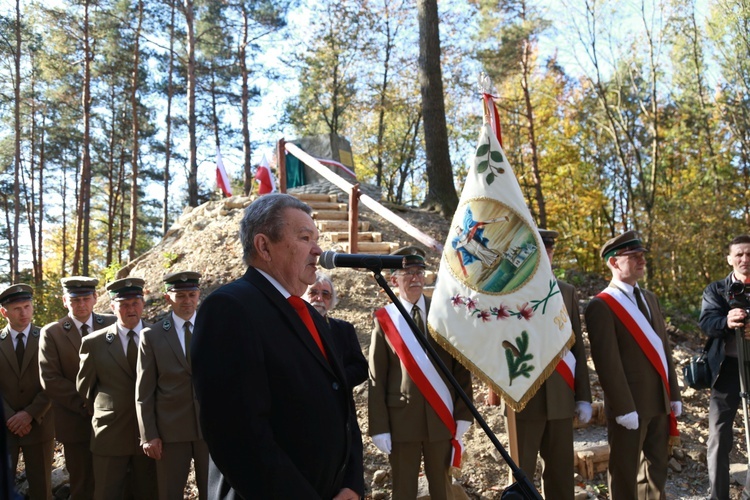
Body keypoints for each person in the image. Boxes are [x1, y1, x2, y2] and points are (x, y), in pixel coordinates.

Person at [191, 193, 364, 499]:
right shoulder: (229, 309)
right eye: (304, 237)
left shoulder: (309, 313)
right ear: (264, 246)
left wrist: (350, 482)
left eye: (317, 238)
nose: (317, 250)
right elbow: (238, 437)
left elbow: (342, 406)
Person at [368, 247, 473, 500]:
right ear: (394, 280)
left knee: (443, 490)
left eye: (419, 272)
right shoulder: (384, 320)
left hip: (441, 416)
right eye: (407, 273)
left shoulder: (444, 314)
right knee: (403, 490)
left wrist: (463, 413)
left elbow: (461, 368)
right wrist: (379, 427)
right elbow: (376, 378)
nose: (415, 277)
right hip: (402, 421)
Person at [585, 230, 681, 499]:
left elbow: (664, 352)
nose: (642, 261)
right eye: (634, 256)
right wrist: (624, 408)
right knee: (625, 473)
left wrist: (673, 393)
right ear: (614, 262)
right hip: (630, 405)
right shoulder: (601, 305)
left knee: (656, 471)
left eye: (642, 256)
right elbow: (607, 364)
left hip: (659, 400)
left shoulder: (650, 298)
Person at [508, 229, 592, 499]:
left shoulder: (566, 291)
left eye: (550, 250)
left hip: (560, 394)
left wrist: (584, 397)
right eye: (539, 250)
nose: (546, 254)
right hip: (523, 394)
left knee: (560, 475)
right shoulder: (509, 292)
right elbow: (496, 343)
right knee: (521, 475)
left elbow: (576, 345)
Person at [76, 277, 157, 500]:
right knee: (106, 493)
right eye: (124, 304)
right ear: (112, 307)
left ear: (143, 303)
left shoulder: (159, 337)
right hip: (110, 434)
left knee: (148, 492)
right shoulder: (94, 342)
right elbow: (85, 388)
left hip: (149, 435)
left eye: (135, 303)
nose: (131, 309)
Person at [39, 276, 116, 499]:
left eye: (85, 298)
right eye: (75, 300)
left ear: (95, 298)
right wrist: (87, 404)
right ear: (65, 301)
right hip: (75, 422)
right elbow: (50, 379)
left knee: (115, 481)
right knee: (82, 484)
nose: (81, 304)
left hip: (114, 420)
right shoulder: (52, 333)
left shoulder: (112, 324)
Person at [136, 271, 209, 500]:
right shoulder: (152, 335)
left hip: (209, 430)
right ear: (169, 298)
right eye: (180, 296)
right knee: (169, 493)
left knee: (214, 492)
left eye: (191, 294)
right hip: (170, 433)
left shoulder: (213, 328)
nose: (187, 301)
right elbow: (144, 391)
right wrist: (149, 435)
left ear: (198, 296)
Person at [699, 234, 750, 499]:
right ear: (730, 258)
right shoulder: (716, 290)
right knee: (719, 436)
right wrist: (727, 321)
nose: (744, 259)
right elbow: (706, 322)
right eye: (739, 254)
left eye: (749, 254)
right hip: (727, 369)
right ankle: (718, 495)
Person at [0, 284, 54, 500]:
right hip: (4, 427)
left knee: (42, 490)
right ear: (4, 312)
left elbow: (54, 380)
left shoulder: (48, 338)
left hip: (39, 425)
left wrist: (30, 413)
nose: (24, 313)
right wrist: (9, 416)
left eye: (27, 306)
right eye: (17, 309)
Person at [304, 271, 368, 390]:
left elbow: (361, 368)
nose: (319, 298)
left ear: (331, 300)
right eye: (313, 292)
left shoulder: (344, 329)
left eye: (325, 294)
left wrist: (335, 380)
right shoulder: (292, 326)